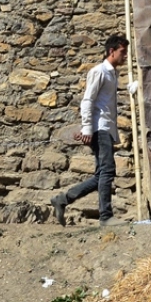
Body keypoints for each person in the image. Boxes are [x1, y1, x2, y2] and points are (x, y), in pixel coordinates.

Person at [51, 34, 130, 226]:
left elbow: (106, 102)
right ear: (112, 51)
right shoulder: (99, 71)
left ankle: (63, 199)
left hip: (105, 128)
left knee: (101, 174)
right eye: (122, 51)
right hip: (100, 129)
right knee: (107, 171)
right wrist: (87, 129)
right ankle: (106, 216)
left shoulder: (112, 74)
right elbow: (88, 101)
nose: (125, 56)